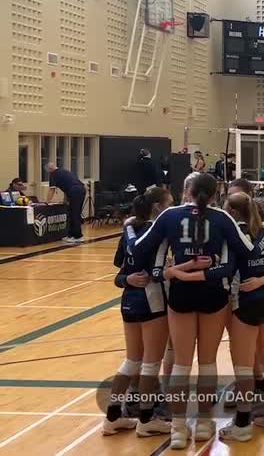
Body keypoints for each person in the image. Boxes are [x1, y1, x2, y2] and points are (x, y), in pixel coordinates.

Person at [131, 172, 255, 449]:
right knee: (208, 362)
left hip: (180, 295)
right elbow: (247, 250)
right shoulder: (222, 218)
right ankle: (203, 422)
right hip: (213, 293)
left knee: (181, 363)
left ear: (186, 191)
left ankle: (178, 428)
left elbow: (139, 248)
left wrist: (174, 269)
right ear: (214, 194)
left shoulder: (169, 216)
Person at [211, 193, 264, 441]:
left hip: (247, 302)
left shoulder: (233, 236)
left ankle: (243, 424)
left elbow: (226, 270)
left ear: (233, 213)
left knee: (243, 366)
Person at [102, 186, 173, 437]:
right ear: (157, 207)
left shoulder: (129, 229)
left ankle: (112, 417)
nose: (171, 208)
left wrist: (127, 279)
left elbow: (119, 270)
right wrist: (173, 269)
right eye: (169, 204)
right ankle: (146, 419)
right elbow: (156, 273)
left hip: (128, 299)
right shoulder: (159, 233)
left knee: (132, 360)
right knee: (151, 363)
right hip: (152, 300)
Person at [45, 163, 86, 243]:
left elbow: (52, 189)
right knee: (74, 213)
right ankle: (71, 235)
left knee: (74, 214)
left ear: (49, 169)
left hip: (74, 191)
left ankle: (77, 236)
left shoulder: (54, 174)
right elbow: (66, 187)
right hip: (81, 189)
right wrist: (65, 200)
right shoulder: (64, 171)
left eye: (48, 171)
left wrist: (47, 201)